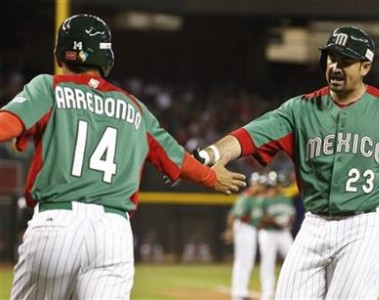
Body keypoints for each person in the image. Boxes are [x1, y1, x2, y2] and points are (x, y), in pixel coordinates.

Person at [0, 14, 246, 300]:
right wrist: (210, 176)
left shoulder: (50, 87)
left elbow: (8, 124)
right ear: (106, 57)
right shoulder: (134, 107)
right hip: (113, 232)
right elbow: (175, 157)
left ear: (60, 53)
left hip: (57, 223)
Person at [193, 26, 379, 299]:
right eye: (331, 58)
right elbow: (249, 136)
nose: (335, 66)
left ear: (365, 67)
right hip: (313, 225)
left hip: (366, 224)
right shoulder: (299, 110)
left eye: (345, 61)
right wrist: (211, 155)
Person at [221, 171, 266, 300]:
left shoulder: (257, 197)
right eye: (260, 184)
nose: (262, 187)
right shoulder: (247, 197)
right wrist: (230, 231)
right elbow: (232, 215)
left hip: (249, 228)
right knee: (243, 261)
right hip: (244, 228)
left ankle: (240, 292)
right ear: (254, 184)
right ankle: (239, 292)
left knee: (245, 262)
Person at [256, 171, 295, 300]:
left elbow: (292, 216)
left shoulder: (286, 198)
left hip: (283, 233)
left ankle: (292, 290)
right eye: (279, 183)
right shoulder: (264, 199)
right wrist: (275, 221)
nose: (281, 186)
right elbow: (259, 219)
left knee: (294, 260)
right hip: (268, 233)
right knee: (268, 262)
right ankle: (267, 293)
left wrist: (286, 221)